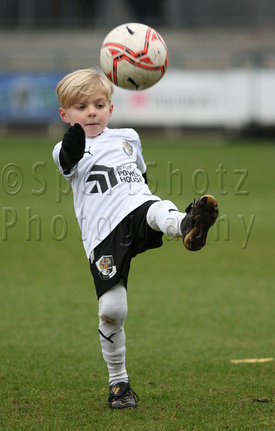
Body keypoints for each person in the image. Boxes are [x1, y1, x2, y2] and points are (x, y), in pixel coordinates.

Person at [52, 68, 219, 409]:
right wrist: (72, 142)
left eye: (99, 104)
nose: (92, 112)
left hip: (137, 207)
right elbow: (67, 160)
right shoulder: (65, 149)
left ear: (111, 109)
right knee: (112, 311)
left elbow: (141, 175)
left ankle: (188, 224)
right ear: (65, 114)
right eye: (81, 107)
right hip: (103, 234)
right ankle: (119, 384)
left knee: (156, 209)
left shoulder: (128, 136)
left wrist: (140, 194)